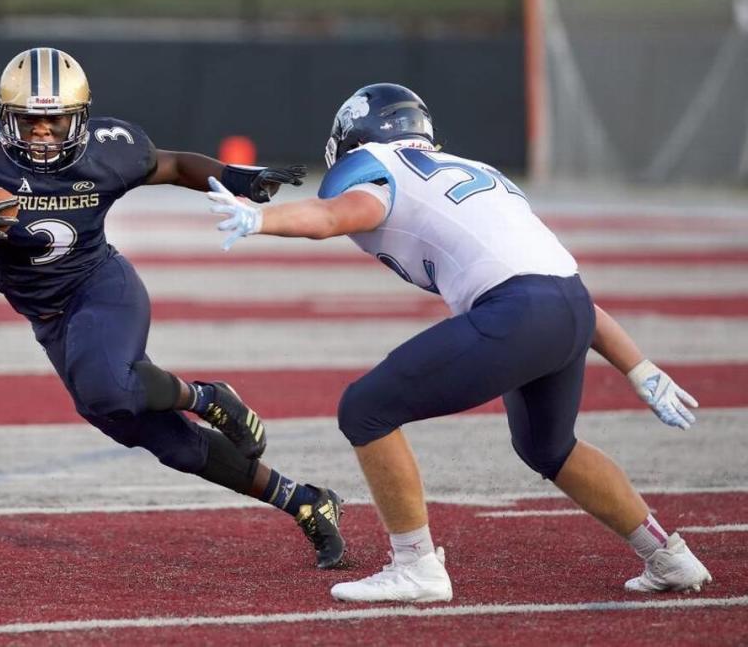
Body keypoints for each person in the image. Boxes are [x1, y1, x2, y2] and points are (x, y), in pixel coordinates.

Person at [205, 83, 712, 601]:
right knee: (549, 446)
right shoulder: (482, 172)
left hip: (519, 310)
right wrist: (638, 366)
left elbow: (339, 214)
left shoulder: (375, 164)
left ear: (353, 136)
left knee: (366, 409)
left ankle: (416, 567)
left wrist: (263, 219)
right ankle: (669, 557)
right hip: (571, 306)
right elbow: (556, 281)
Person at [0, 47, 345, 570]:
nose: (41, 133)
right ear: (5, 118)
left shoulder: (112, 149)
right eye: (29, 121)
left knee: (109, 386)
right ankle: (305, 501)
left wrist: (232, 176)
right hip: (49, 318)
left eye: (54, 119)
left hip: (99, 286)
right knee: (155, 436)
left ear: (79, 117)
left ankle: (209, 396)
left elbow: (171, 165)